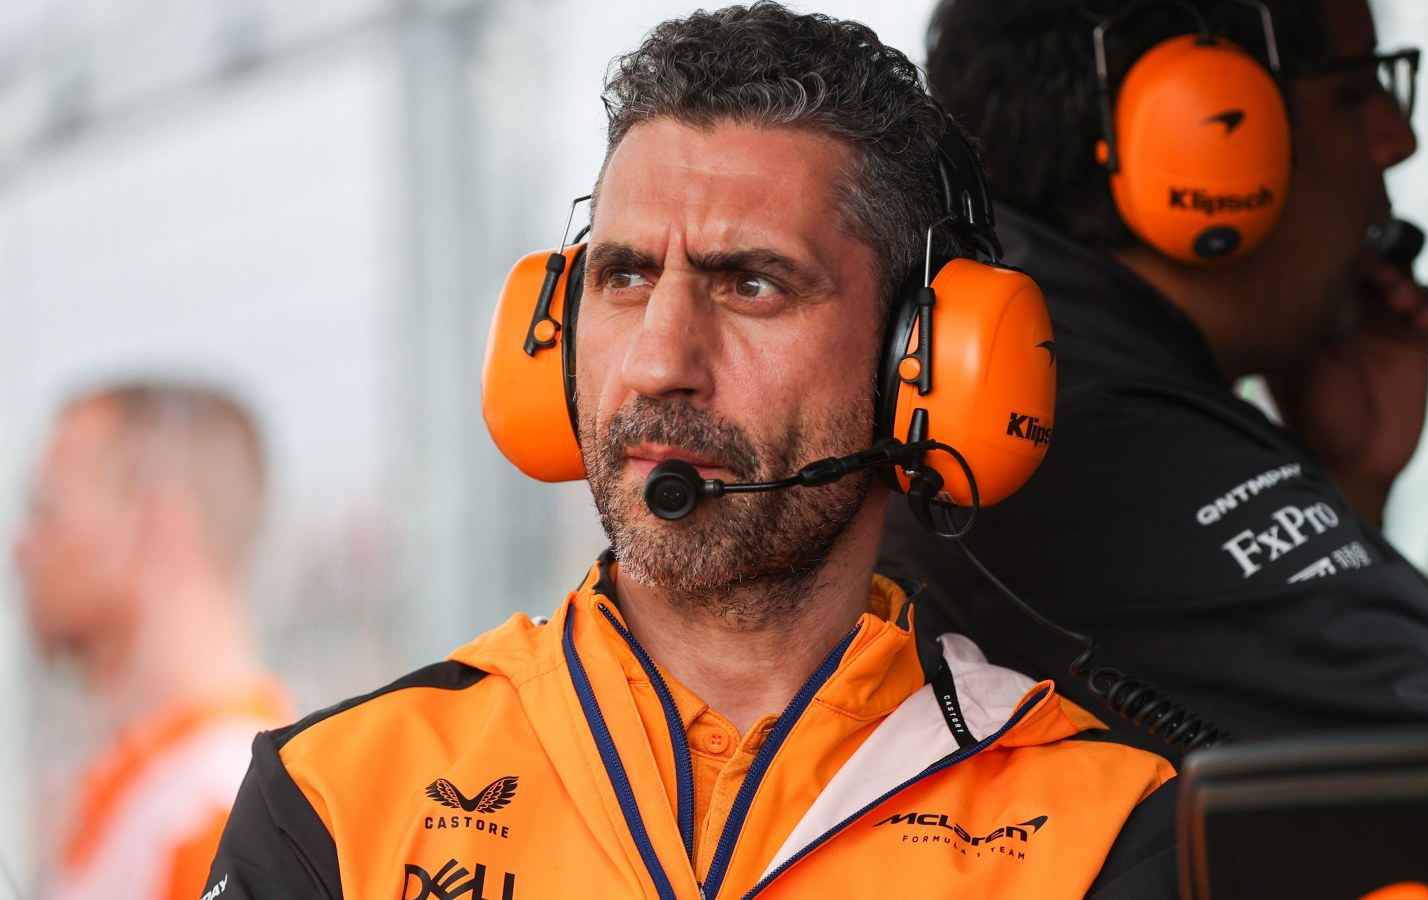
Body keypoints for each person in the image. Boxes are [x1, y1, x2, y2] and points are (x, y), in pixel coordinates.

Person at [201, 4, 1180, 898]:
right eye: (624, 277)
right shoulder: (333, 801)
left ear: (920, 361)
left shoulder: (1108, 832)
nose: (658, 361)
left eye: (752, 285)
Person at [879, 0, 1428, 839]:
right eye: (1356, 88)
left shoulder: (1053, 344)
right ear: (1203, 121)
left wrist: (1350, 482)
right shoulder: (1103, 436)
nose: (1396, 138)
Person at [12, 380, 290, 900]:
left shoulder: (223, 817)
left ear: (158, 526)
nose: (20, 547)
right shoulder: (154, 793)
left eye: (48, 510)